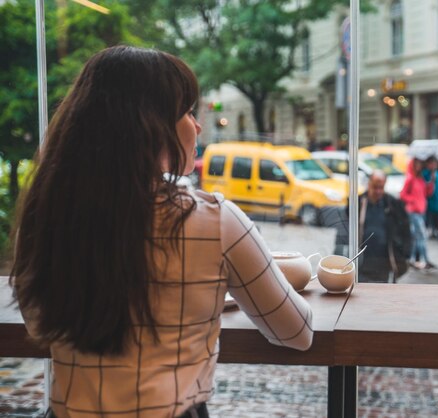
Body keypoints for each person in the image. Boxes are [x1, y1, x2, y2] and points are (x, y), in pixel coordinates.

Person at [10, 46, 313, 418]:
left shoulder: (45, 215)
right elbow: (296, 333)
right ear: (148, 124)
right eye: (187, 112)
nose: (198, 125)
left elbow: (39, 322)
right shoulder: (215, 221)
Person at [358, 170, 412, 283]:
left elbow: (405, 229)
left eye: (381, 187)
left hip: (383, 262)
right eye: (375, 187)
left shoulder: (392, 204)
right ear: (368, 184)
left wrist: (405, 253)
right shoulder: (358, 203)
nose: (378, 191)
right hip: (362, 262)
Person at [400, 158, 435, 270]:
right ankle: (425, 260)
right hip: (414, 211)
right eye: (417, 164)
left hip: (421, 211)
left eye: (420, 164)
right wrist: (413, 200)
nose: (419, 166)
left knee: (415, 237)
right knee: (422, 236)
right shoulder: (410, 178)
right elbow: (403, 194)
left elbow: (427, 193)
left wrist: (431, 183)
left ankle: (412, 259)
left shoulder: (420, 178)